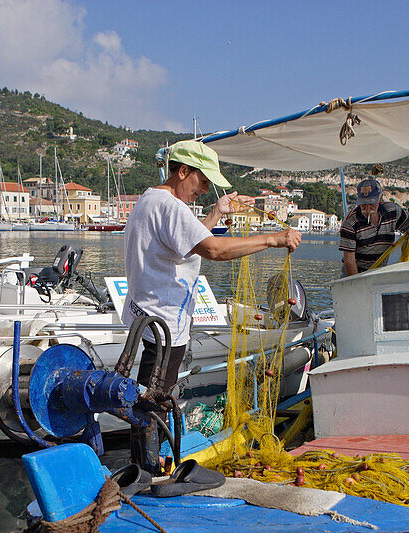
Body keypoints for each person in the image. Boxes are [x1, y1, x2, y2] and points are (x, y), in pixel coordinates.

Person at [123, 139, 301, 392]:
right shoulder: (172, 207)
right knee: (154, 403)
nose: (205, 190)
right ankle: (151, 432)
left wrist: (216, 213)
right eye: (204, 181)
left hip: (147, 317)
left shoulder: (150, 199)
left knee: (149, 395)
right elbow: (213, 250)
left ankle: (149, 430)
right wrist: (273, 239)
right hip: (165, 324)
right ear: (183, 171)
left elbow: (189, 243)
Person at [339, 177, 409, 276]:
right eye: (363, 203)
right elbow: (349, 260)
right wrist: (356, 284)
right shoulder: (350, 223)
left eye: (371, 202)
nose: (367, 207)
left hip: (378, 270)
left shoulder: (392, 211)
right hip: (355, 270)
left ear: (380, 199)